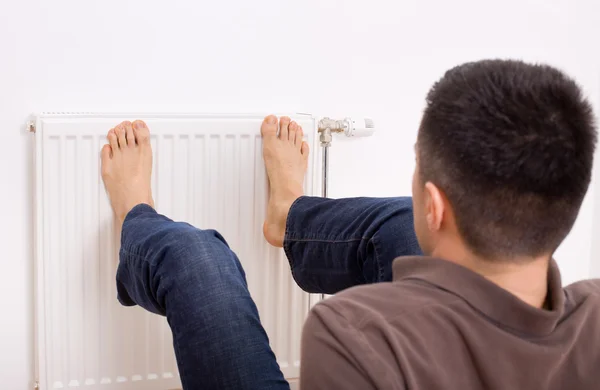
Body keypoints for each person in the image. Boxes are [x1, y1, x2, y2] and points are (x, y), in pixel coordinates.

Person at [100, 59, 600, 390]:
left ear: (436, 205)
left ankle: (134, 218)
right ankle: (289, 215)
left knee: (196, 259)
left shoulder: (356, 333)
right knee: (400, 230)